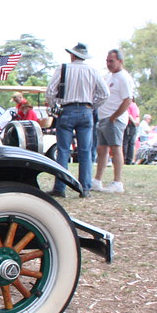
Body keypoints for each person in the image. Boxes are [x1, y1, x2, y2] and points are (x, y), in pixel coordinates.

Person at [45, 42, 109, 198]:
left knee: (63, 150)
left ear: (73, 55)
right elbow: (104, 94)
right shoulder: (93, 71)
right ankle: (85, 188)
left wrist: (55, 106)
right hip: (86, 111)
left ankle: (60, 187)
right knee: (86, 151)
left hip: (67, 110)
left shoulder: (63, 69)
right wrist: (92, 106)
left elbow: (50, 91)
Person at [91, 49, 133, 193]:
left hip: (114, 119)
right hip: (103, 118)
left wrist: (114, 117)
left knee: (116, 148)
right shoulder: (108, 77)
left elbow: (128, 100)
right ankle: (97, 180)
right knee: (101, 149)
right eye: (107, 61)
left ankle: (117, 182)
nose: (108, 64)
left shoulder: (124, 77)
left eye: (111, 61)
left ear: (120, 61)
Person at [123, 98, 139, 164]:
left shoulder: (128, 105)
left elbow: (128, 114)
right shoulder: (135, 105)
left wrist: (133, 122)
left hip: (129, 124)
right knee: (131, 143)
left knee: (126, 142)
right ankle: (129, 159)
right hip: (134, 126)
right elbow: (138, 115)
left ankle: (125, 159)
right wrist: (136, 122)